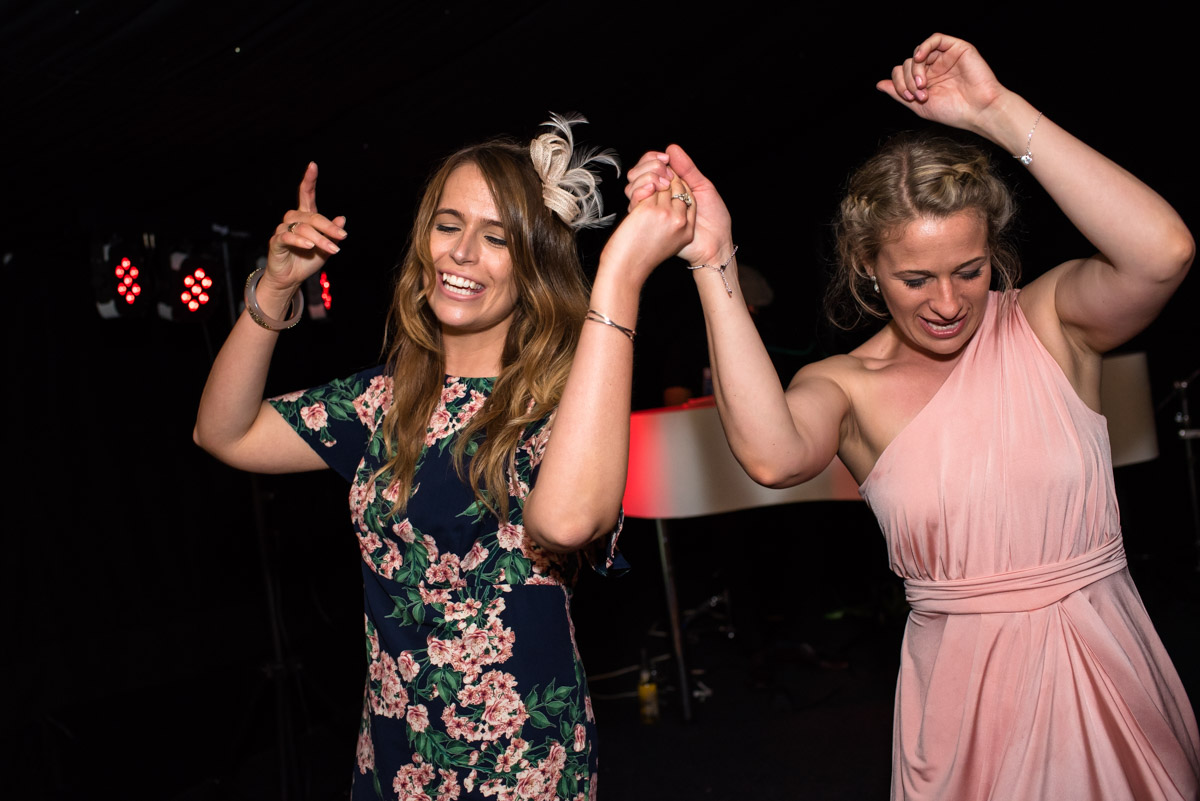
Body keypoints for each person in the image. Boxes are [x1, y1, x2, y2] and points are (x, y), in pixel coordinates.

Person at [626, 33, 1199, 801]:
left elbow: (1164, 253)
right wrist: (713, 260)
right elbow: (771, 455)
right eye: (916, 278)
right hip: (969, 709)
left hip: (1107, 674)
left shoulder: (1051, 320)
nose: (948, 302)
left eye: (969, 270)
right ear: (869, 268)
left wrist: (997, 113)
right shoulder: (848, 384)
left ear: (993, 251)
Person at [194, 114, 695, 800]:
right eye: (448, 225)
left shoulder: (570, 400)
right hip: (394, 753)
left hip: (518, 762)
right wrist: (276, 287)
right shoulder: (385, 399)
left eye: (496, 237)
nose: (461, 252)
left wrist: (621, 277)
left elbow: (569, 522)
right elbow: (223, 433)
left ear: (534, 263)